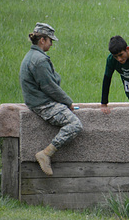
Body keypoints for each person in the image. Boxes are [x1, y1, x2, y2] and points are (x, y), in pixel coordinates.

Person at [19, 22, 83, 176]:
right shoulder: (40, 60)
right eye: (50, 41)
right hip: (43, 104)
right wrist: (68, 103)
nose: (51, 44)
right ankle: (46, 153)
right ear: (42, 40)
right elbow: (50, 87)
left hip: (35, 101)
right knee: (75, 124)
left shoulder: (31, 56)